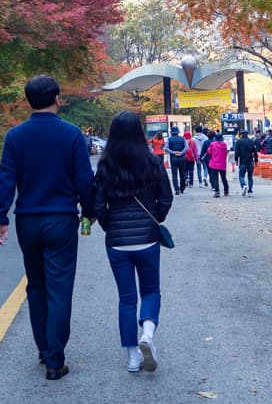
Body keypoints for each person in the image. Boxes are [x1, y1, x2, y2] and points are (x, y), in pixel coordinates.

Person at [0, 75, 95, 381]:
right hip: (62, 219)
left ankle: (43, 347)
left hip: (27, 219)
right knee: (59, 288)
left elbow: (7, 179)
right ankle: (54, 358)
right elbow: (84, 180)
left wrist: (0, 217)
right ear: (57, 98)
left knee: (36, 286)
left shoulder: (16, 136)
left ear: (28, 101)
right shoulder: (72, 135)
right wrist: (89, 212)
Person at [93, 111, 173, 373]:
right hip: (147, 240)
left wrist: (109, 227)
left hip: (117, 243)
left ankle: (131, 357)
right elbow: (166, 198)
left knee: (126, 298)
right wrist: (155, 219)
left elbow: (98, 207)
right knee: (150, 291)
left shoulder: (105, 166)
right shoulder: (152, 162)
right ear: (140, 132)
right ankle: (147, 334)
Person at [234, 130, 259, 197]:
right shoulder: (251, 141)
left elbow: (236, 152)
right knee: (250, 176)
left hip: (242, 160)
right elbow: (255, 152)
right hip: (250, 160)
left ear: (241, 134)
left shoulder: (238, 142)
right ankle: (250, 191)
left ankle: (243, 185)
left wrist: (236, 160)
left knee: (241, 175)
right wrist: (256, 161)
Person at [163, 126, 188, 195]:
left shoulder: (169, 139)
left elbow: (166, 148)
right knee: (182, 174)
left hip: (173, 158)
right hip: (182, 158)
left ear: (171, 132)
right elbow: (186, 147)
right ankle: (182, 188)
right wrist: (181, 152)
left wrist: (174, 152)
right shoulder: (183, 139)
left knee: (174, 175)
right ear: (178, 132)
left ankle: (176, 189)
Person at [204, 132, 230, 197]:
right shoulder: (224, 145)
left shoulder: (212, 144)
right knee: (223, 177)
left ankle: (217, 192)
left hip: (214, 164)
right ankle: (226, 191)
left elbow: (209, 152)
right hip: (222, 164)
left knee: (215, 178)